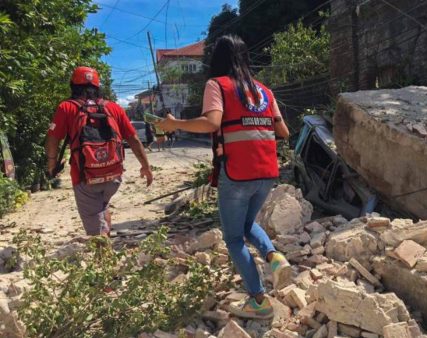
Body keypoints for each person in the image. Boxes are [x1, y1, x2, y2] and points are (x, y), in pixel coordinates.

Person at [156, 35, 292, 320]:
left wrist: (173, 124)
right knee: (246, 224)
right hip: (267, 173)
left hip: (237, 173)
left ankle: (258, 301)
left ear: (217, 59)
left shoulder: (216, 85)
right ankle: (273, 256)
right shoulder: (265, 91)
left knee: (233, 238)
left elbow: (211, 123)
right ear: (245, 58)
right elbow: (284, 132)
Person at [46, 66, 153, 237]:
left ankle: (103, 257)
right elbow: (133, 139)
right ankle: (106, 240)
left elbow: (53, 139)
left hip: (84, 177)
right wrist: (146, 167)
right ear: (97, 87)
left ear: (73, 85)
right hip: (113, 175)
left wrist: (52, 164)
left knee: (95, 229)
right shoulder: (114, 107)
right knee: (102, 206)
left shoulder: (66, 107)